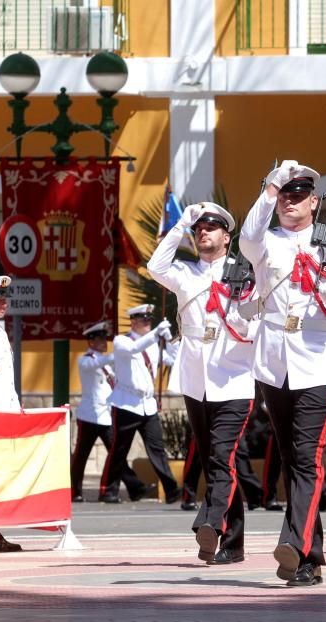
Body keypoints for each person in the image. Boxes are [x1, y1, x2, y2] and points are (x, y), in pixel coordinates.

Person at [240, 160, 326, 585]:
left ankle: (293, 544)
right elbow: (247, 235)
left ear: (315, 202)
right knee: (294, 456)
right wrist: (271, 184)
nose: (289, 202)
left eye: (298, 196)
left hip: (317, 362)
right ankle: (310, 558)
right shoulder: (265, 243)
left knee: (308, 454)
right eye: (284, 196)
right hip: (275, 364)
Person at [148, 201, 256, 565]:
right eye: (200, 229)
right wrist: (181, 223)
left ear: (227, 237)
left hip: (235, 380)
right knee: (217, 464)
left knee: (221, 457)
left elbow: (260, 318)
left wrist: (246, 324)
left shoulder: (245, 273)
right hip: (197, 380)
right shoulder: (186, 273)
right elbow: (154, 266)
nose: (203, 232)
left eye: (211, 227)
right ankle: (234, 544)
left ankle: (209, 522)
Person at [98, 304, 181, 504]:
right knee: (119, 450)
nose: (147, 323)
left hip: (147, 404)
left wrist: (169, 338)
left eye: (149, 320)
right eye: (143, 320)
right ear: (133, 321)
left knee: (157, 448)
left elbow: (173, 359)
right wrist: (156, 333)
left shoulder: (152, 342)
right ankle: (108, 490)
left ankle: (171, 490)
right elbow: (136, 348)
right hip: (126, 403)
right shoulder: (121, 341)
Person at [71, 321, 150, 502]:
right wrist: (117, 355)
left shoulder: (107, 364)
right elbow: (96, 363)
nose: (103, 342)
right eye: (99, 339)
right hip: (89, 416)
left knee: (117, 454)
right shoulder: (85, 360)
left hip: (105, 417)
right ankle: (74, 492)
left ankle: (134, 488)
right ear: (90, 342)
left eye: (104, 339)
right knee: (80, 457)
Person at [0, 275, 22, 553]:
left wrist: (15, 406)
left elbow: (4, 377)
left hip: (2, 415)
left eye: (5, 298)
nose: (3, 303)